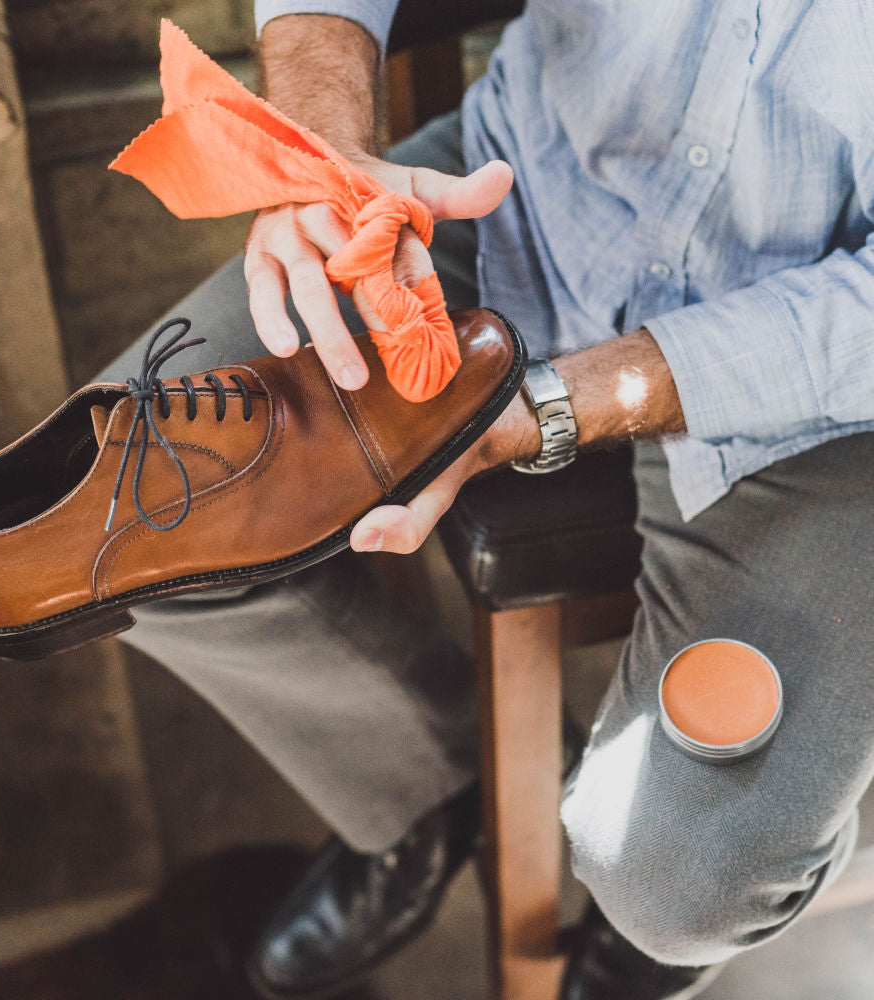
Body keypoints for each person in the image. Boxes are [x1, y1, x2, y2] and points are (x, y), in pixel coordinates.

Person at [99, 3, 874, 999]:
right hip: (534, 198)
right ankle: (434, 785)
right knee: (127, 506)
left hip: (827, 386)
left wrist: (550, 406)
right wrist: (319, 153)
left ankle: (663, 914)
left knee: (686, 890)